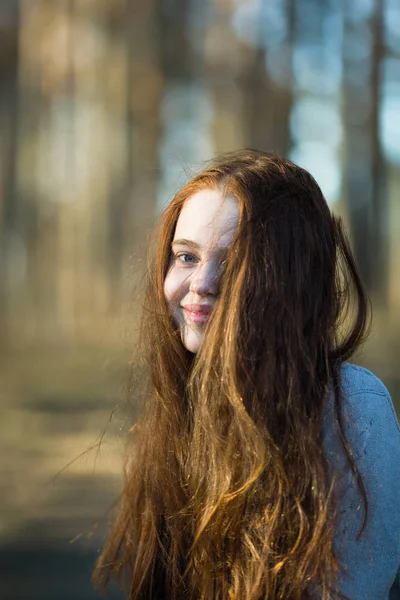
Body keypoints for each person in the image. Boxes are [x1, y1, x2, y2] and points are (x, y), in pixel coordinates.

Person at [93, 150, 400, 599]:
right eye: (186, 257)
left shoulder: (352, 406)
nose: (201, 284)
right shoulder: (182, 396)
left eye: (233, 262)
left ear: (289, 279)